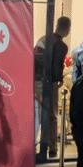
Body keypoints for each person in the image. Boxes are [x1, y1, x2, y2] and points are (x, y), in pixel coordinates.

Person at [34, 16, 70, 159]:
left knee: (37, 113)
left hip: (38, 80)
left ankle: (35, 144)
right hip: (52, 83)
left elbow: (35, 58)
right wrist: (59, 79)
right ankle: (52, 147)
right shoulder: (62, 46)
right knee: (52, 115)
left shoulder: (43, 39)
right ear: (67, 29)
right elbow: (58, 65)